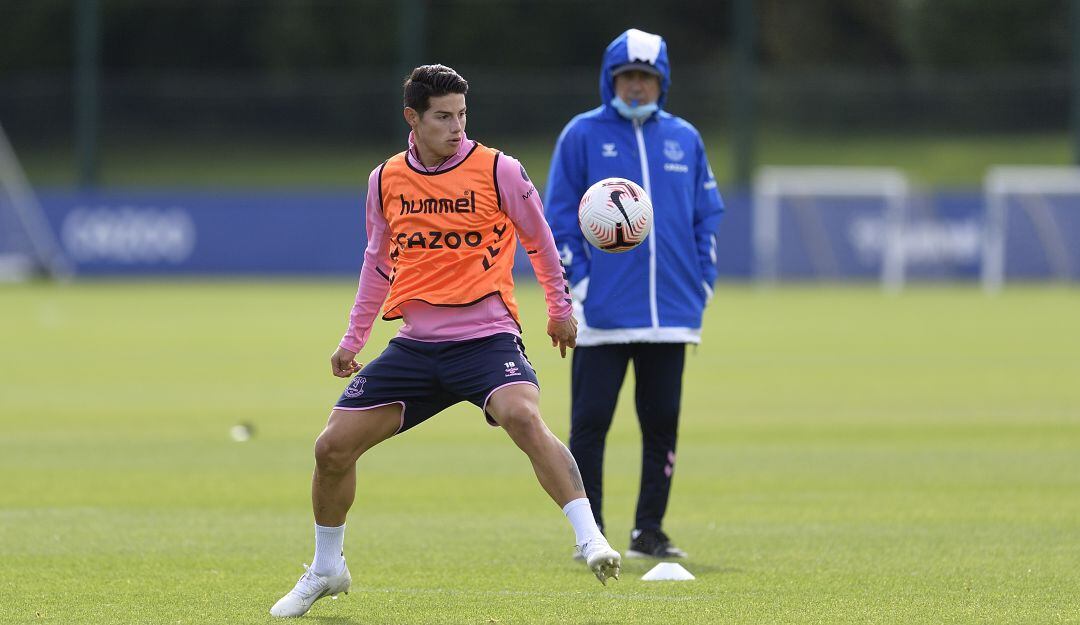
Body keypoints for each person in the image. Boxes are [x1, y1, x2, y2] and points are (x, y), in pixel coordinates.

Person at [270, 64, 620, 619]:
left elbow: (540, 240)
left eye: (461, 115)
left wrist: (561, 311)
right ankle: (327, 568)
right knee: (330, 449)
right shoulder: (385, 179)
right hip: (416, 347)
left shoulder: (499, 169)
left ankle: (589, 537)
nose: (456, 127)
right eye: (442, 116)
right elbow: (377, 262)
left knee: (523, 417)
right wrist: (353, 337)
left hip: (487, 340)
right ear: (413, 118)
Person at [544, 29, 724, 559]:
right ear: (610, 79)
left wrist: (702, 282)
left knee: (661, 423)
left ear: (661, 82)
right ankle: (590, 533)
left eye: (647, 78)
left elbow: (705, 216)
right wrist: (576, 286)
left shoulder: (685, 138)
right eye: (628, 77)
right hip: (600, 315)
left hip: (671, 314)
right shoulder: (581, 134)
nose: (638, 87)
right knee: (590, 424)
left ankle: (650, 531)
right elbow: (558, 218)